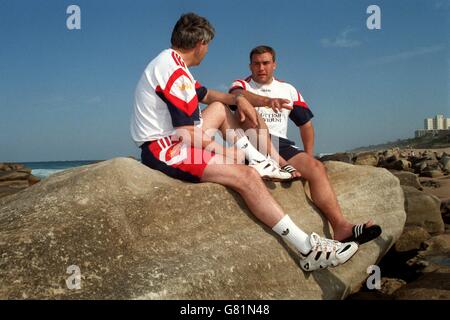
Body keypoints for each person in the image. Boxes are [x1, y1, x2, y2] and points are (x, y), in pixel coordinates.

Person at [130, 13, 358, 271]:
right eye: (208, 46)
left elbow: (208, 95)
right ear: (200, 45)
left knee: (218, 106)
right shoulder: (175, 73)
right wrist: (226, 152)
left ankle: (259, 159)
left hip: (173, 142)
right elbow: (185, 134)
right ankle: (308, 248)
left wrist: (237, 100)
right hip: (166, 150)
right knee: (246, 176)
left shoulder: (171, 63)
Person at [229, 45, 382, 244]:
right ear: (250, 66)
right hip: (251, 140)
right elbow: (237, 96)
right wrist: (266, 101)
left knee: (317, 168)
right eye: (256, 64)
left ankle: (341, 227)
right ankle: (276, 162)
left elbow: (306, 125)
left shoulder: (288, 90)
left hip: (280, 143)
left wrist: (308, 155)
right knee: (249, 113)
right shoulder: (241, 85)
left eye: (266, 63)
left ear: (274, 65)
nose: (261, 68)